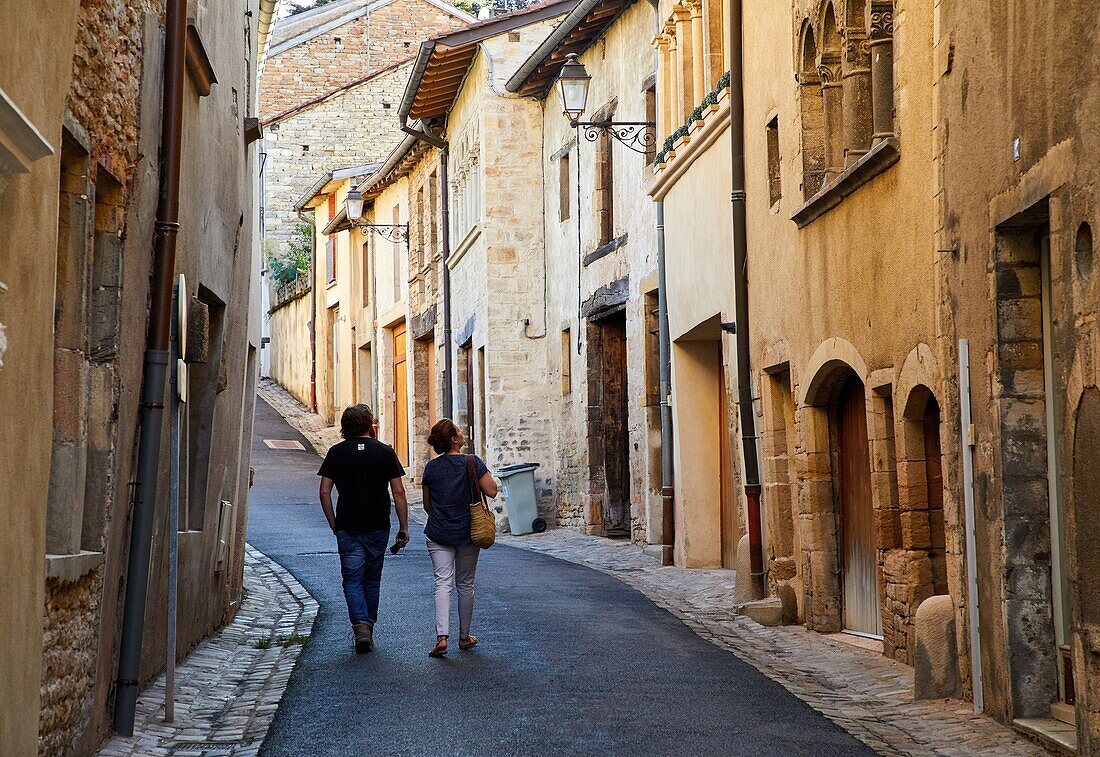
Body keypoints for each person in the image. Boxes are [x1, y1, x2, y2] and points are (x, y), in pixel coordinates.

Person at [318, 404, 409, 654]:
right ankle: (367, 624)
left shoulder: (336, 453)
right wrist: (404, 527)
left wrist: (333, 522)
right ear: (370, 424)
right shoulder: (385, 452)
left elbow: (325, 492)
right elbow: (398, 491)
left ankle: (361, 627)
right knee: (372, 578)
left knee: (352, 579)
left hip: (348, 524)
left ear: (345, 427)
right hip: (378, 523)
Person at [420, 418, 498, 658]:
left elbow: (426, 505)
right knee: (465, 584)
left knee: (442, 583)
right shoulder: (472, 462)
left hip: (438, 531)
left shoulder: (431, 468)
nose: (462, 432)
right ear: (454, 439)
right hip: (467, 531)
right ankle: (464, 637)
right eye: (458, 430)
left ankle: (442, 637)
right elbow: (492, 491)